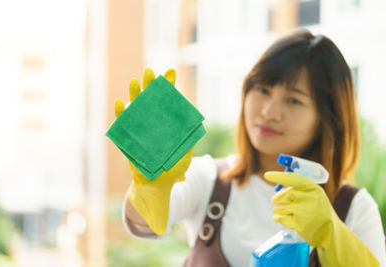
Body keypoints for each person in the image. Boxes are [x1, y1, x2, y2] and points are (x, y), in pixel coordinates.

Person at [116, 29, 386, 266]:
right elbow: (144, 221)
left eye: (293, 100)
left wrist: (331, 233)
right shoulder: (210, 179)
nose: (269, 112)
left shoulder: (354, 208)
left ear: (328, 119)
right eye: (263, 90)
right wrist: (148, 190)